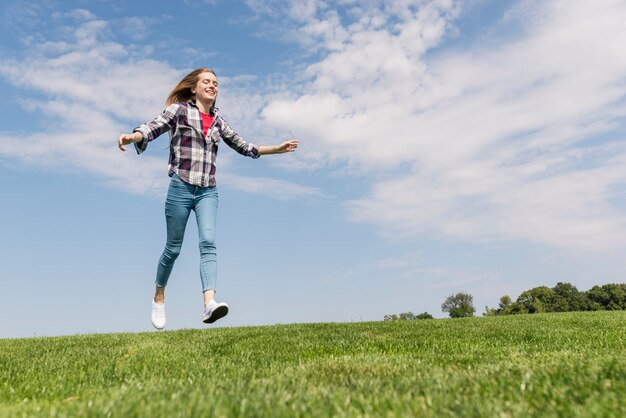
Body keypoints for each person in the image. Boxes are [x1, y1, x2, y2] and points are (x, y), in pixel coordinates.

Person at [118, 68, 298, 330]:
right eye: (207, 82)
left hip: (207, 191)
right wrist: (132, 136)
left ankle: (209, 303)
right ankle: (159, 297)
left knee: (209, 243)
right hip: (180, 187)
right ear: (194, 88)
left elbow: (245, 146)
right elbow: (152, 128)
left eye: (215, 83)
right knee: (173, 249)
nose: (212, 86)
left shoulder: (218, 121)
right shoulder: (179, 110)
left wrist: (277, 149)